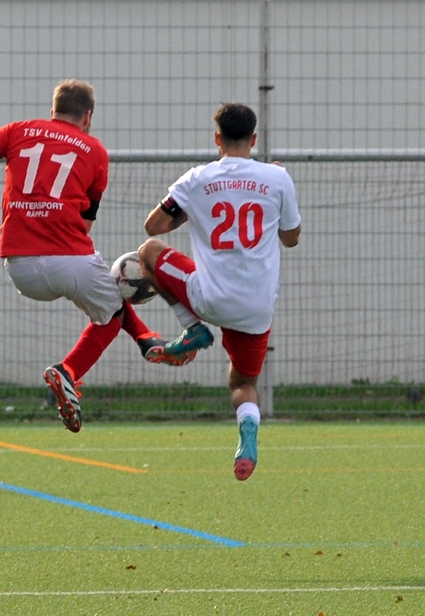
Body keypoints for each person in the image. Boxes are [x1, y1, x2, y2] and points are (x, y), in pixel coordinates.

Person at [0, 79, 209, 433]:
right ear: (87, 117)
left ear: (52, 111)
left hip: (21, 269)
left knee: (108, 302)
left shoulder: (19, 131)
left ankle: (146, 341)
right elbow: (86, 223)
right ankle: (84, 365)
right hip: (70, 261)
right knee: (110, 313)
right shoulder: (95, 152)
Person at [138, 102, 302, 480]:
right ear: (254, 139)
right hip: (256, 309)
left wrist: (192, 209)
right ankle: (248, 435)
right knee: (243, 383)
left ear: (217, 139)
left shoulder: (197, 179)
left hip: (206, 298)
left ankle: (191, 326)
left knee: (146, 254)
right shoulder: (277, 179)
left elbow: (154, 227)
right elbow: (291, 240)